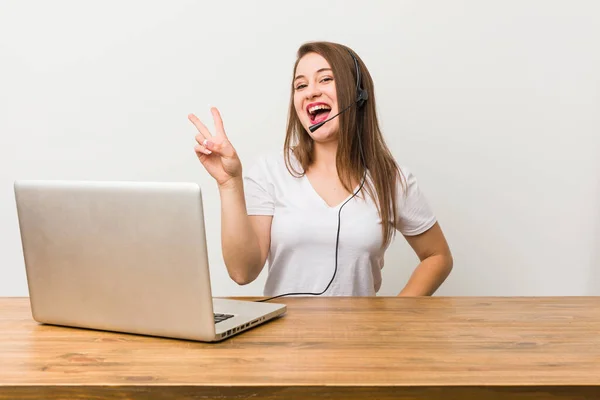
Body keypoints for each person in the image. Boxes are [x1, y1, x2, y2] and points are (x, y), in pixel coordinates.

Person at [188, 41, 453, 298]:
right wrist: (229, 183)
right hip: (283, 340)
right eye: (300, 85)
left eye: (325, 79)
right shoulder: (270, 171)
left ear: (358, 95)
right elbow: (242, 272)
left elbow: (437, 256)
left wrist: (396, 317)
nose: (311, 92)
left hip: (362, 340)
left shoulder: (391, 179)